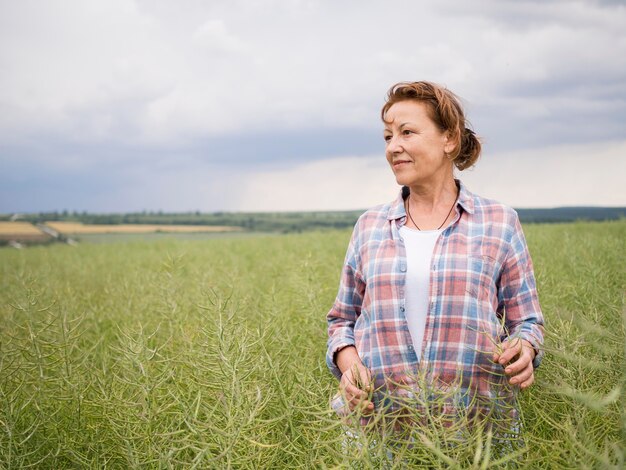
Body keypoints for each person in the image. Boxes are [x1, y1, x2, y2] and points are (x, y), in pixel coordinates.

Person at [326, 81, 544, 433]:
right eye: (387, 137)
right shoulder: (369, 226)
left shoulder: (500, 222)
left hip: (477, 434)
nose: (393, 147)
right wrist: (349, 364)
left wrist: (524, 349)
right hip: (380, 430)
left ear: (450, 139)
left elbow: (528, 322)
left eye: (407, 132)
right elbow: (341, 321)